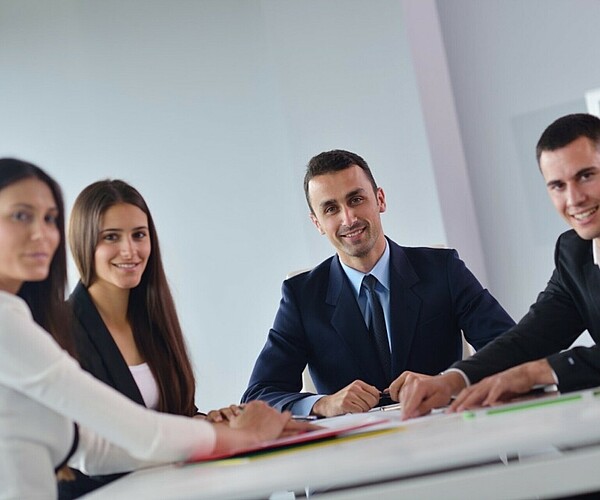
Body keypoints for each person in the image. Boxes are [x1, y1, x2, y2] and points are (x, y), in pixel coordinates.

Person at [0, 158, 310, 500]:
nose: (42, 233)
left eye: (49, 218)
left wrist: (210, 427)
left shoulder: (23, 315)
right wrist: (244, 436)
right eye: (21, 215)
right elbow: (135, 432)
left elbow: (94, 449)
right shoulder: (18, 325)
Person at [241, 149, 514, 417]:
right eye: (331, 209)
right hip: (359, 454)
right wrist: (323, 404)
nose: (348, 219)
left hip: (448, 440)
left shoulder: (443, 270)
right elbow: (259, 395)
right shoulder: (301, 297)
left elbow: (511, 349)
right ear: (317, 223)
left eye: (356, 199)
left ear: (380, 199)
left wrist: (448, 380)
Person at [394, 113, 600, 420]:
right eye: (557, 185)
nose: (574, 199)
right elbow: (531, 337)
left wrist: (537, 373)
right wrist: (453, 379)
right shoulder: (574, 252)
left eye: (586, 176)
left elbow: (535, 363)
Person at [60, 179, 241, 498]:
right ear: (84, 242)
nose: (130, 250)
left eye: (138, 235)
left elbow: (175, 416)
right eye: (111, 237)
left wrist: (210, 421)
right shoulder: (62, 329)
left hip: (168, 487)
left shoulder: (153, 318)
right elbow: (88, 450)